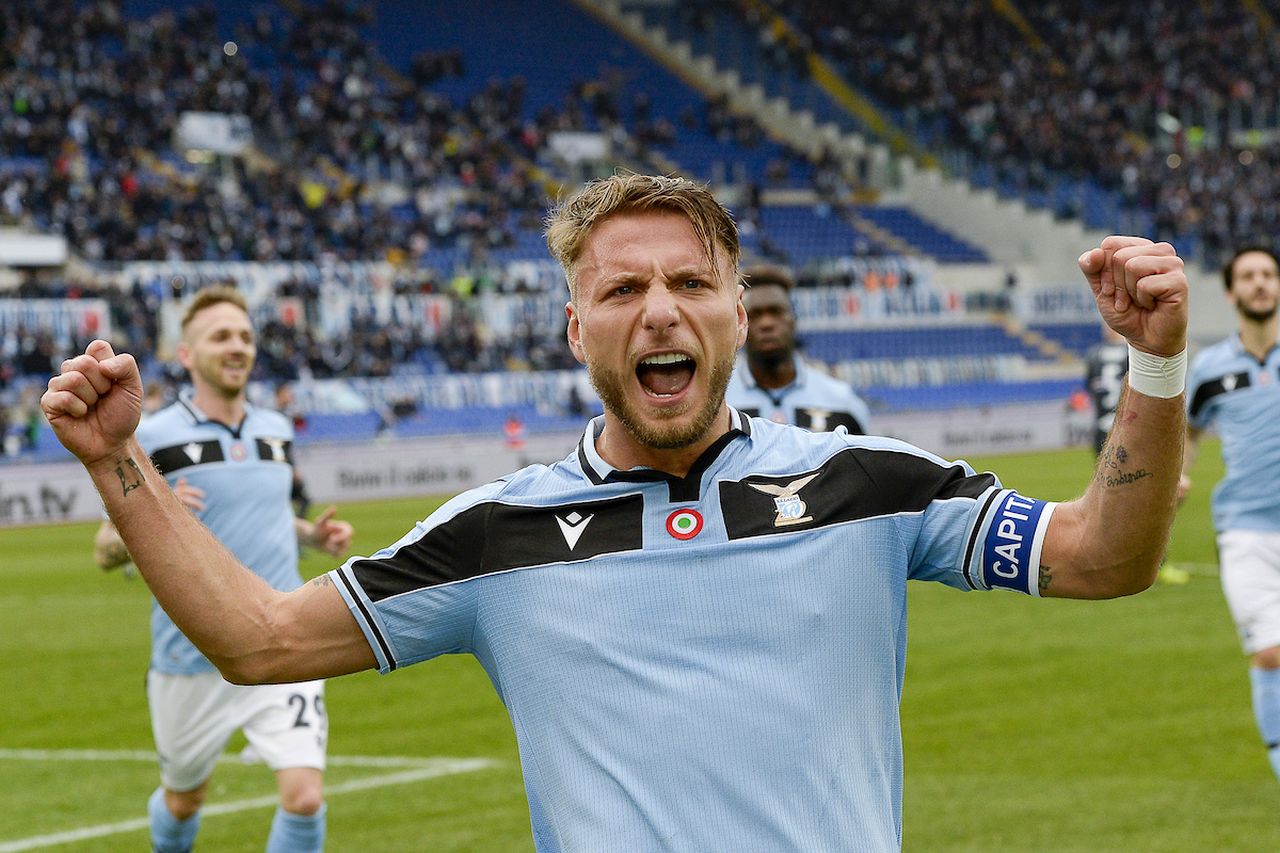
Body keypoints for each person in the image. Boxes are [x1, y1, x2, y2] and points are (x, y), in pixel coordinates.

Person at [46, 174, 1188, 851]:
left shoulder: (867, 479)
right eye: (621, 288)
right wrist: (119, 465)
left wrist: (1151, 370)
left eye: (690, 283)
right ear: (572, 328)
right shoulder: (496, 532)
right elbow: (256, 639)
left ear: (737, 314)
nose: (659, 311)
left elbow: (1100, 559)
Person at [91, 286, 354, 853]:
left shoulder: (275, 429)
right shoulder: (151, 435)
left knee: (305, 796)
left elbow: (266, 516)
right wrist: (158, 516)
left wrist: (312, 535)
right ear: (186, 354)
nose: (236, 347)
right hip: (191, 657)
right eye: (220, 337)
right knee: (184, 801)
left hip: (286, 635)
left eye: (244, 336)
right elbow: (105, 548)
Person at [1180, 245, 1280, 785]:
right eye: (1249, 276)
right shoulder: (1212, 368)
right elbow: (1189, 431)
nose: (1260, 283)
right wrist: (1179, 471)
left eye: (1268, 274)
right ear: (1232, 292)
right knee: (1269, 654)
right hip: (1245, 531)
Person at [725, 262, 871, 433]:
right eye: (755, 314)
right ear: (740, 322)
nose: (767, 323)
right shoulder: (720, 403)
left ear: (793, 319)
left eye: (776, 311)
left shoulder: (842, 403)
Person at [1083, 322, 1129, 454]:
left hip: (1101, 426)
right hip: (1128, 428)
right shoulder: (1133, 353)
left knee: (1104, 473)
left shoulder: (1094, 354)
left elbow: (1089, 387)